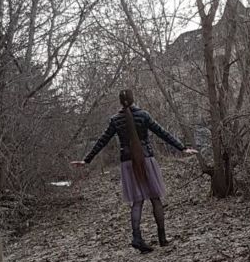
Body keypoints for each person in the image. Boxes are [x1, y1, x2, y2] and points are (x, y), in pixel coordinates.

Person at [71, 89, 197, 252]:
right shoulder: (143, 115)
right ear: (133, 99)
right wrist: (182, 148)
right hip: (146, 160)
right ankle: (162, 238)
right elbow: (162, 133)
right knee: (155, 198)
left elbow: (102, 140)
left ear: (120, 102)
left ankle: (137, 238)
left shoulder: (115, 120)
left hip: (128, 163)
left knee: (137, 202)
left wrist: (86, 160)